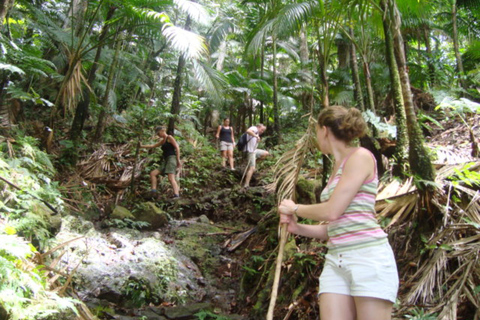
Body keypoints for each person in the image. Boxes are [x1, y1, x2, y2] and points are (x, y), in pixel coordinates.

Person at [278, 106, 398, 320]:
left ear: (324, 130)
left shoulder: (360, 156)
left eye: (316, 132)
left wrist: (295, 208)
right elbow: (336, 227)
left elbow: (332, 211)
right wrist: (297, 227)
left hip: (367, 257)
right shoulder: (338, 166)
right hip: (336, 259)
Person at [140, 126, 181, 198]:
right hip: (166, 160)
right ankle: (153, 192)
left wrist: (178, 160)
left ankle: (176, 195)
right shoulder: (163, 140)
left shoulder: (169, 137)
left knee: (171, 178)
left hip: (172, 159)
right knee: (153, 174)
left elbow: (177, 147)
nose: (158, 135)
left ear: (162, 131)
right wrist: (141, 146)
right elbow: (153, 145)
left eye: (158, 133)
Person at [243, 123, 268, 188]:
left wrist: (257, 138)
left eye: (263, 131)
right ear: (258, 127)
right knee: (252, 168)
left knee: (266, 153)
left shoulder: (257, 133)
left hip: (254, 151)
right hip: (250, 151)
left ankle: (252, 164)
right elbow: (248, 131)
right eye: (262, 130)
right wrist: (256, 136)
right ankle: (246, 184)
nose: (262, 132)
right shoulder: (254, 128)